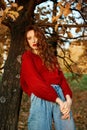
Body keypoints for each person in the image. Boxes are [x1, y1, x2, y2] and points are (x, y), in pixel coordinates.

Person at [20, 25, 76, 130]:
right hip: (41, 96)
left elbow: (61, 79)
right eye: (29, 38)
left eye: (36, 36)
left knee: (68, 127)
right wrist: (59, 100)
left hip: (60, 96)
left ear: (41, 37)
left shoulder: (50, 56)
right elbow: (34, 82)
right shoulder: (27, 57)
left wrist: (68, 101)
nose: (33, 40)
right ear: (26, 41)